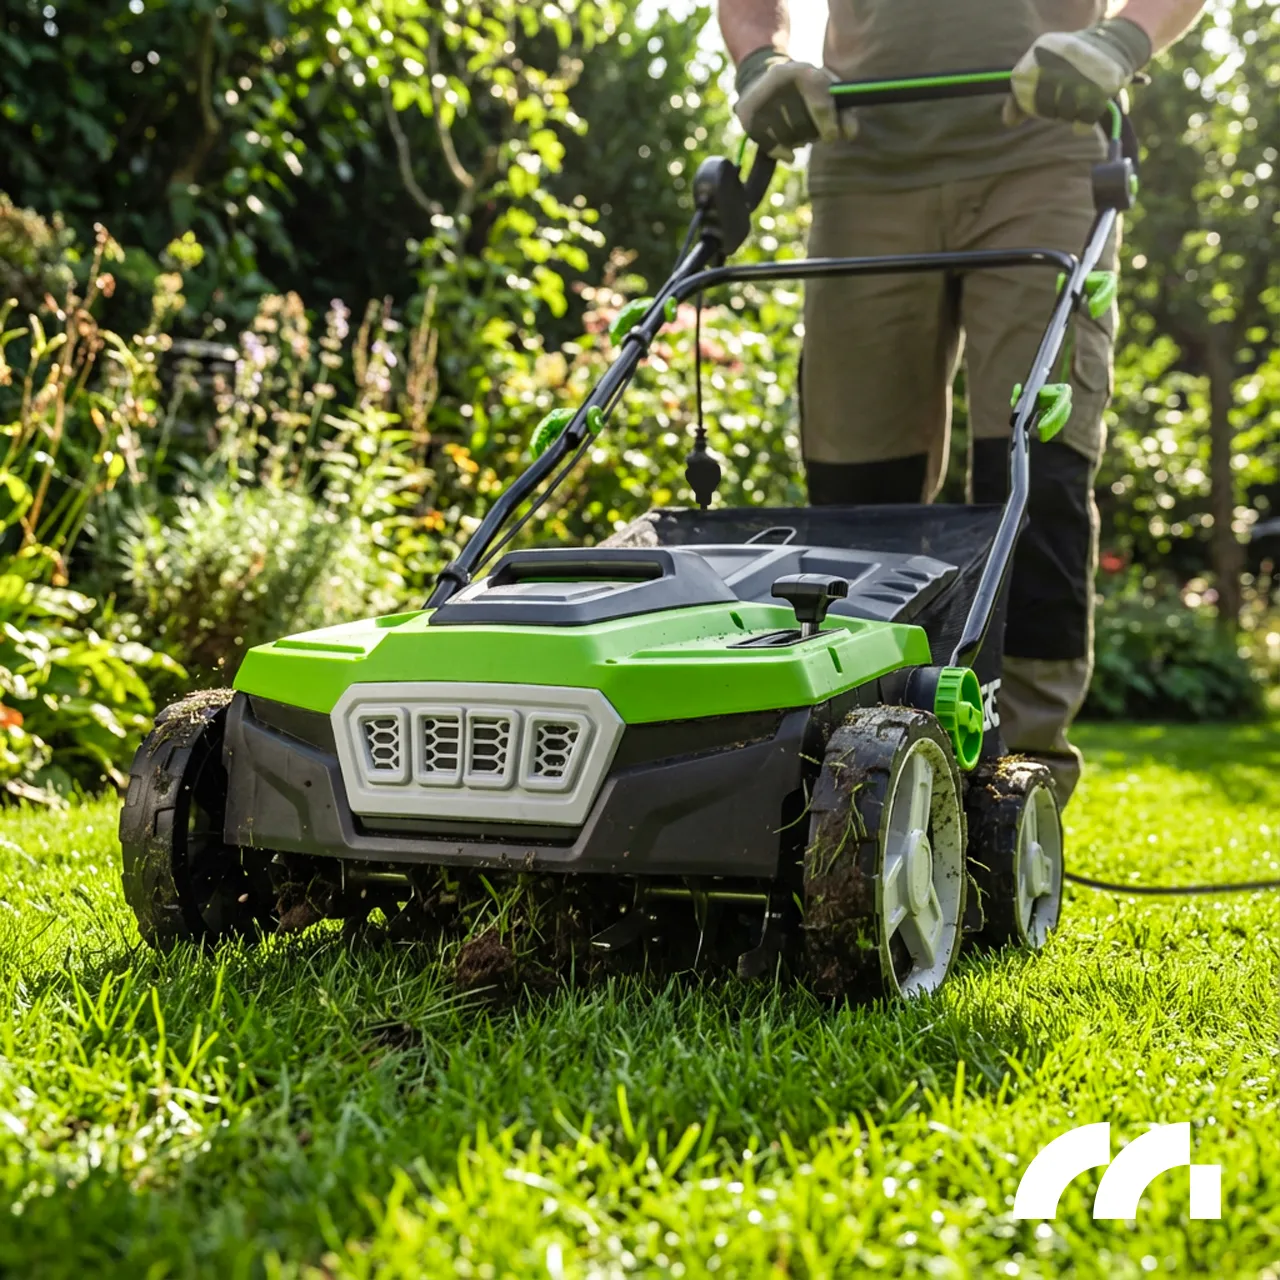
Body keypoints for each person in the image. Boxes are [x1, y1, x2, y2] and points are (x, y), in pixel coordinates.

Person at [717, 0, 1207, 804]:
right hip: (863, 158)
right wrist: (760, 62)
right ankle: (857, 774)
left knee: (1034, 472)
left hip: (1044, 145)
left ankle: (1021, 787)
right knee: (854, 497)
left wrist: (1122, 39)